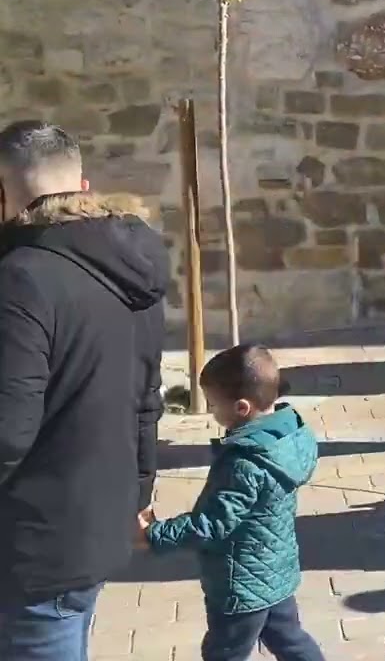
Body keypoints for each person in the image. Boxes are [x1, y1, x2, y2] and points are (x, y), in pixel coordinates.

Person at [0, 121, 169, 660]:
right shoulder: (132, 268)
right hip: (94, 528)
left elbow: (7, 431)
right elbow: (147, 400)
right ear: (83, 188)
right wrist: (139, 495)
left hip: (34, 545)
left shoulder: (21, 277)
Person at [138, 344, 325, 661]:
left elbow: (212, 523)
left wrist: (154, 534)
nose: (212, 412)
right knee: (291, 641)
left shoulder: (245, 463)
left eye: (213, 405)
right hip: (276, 575)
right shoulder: (288, 437)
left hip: (241, 586)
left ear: (241, 408)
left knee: (223, 653)